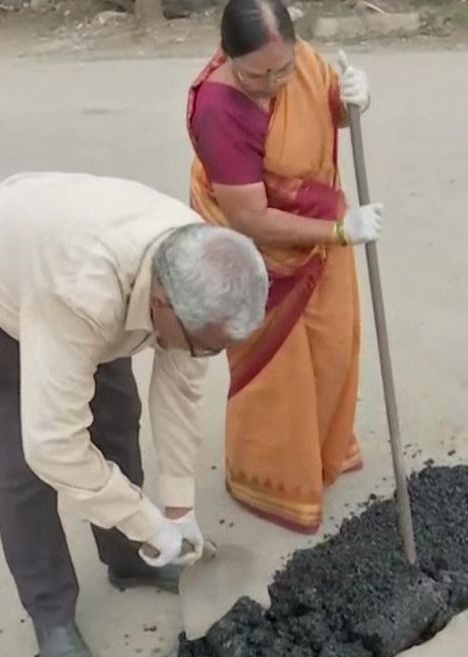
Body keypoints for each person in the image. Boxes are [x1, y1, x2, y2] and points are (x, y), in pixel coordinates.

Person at [0, 172, 268, 657]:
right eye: (203, 345)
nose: (207, 357)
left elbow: (179, 392)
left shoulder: (202, 267)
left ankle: (129, 558)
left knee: (115, 415)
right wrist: (148, 521)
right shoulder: (82, 293)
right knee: (25, 460)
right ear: (163, 308)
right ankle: (51, 611)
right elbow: (53, 445)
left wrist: (178, 509)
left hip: (67, 272)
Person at [186, 0, 385, 534]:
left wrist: (349, 102)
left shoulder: (305, 64)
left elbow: (324, 109)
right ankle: (269, 482)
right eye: (257, 74)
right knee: (279, 374)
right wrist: (341, 231)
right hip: (262, 255)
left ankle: (324, 453)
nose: (273, 82)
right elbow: (250, 218)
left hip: (320, 232)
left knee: (334, 350)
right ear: (228, 57)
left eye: (283, 69)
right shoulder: (218, 108)